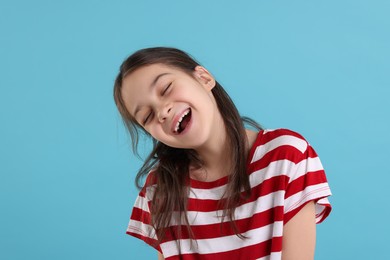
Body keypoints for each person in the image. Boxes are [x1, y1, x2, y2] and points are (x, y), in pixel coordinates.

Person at [113, 47, 332, 260]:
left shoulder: (287, 156)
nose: (162, 111)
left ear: (204, 78)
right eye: (147, 116)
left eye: (166, 88)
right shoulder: (159, 189)